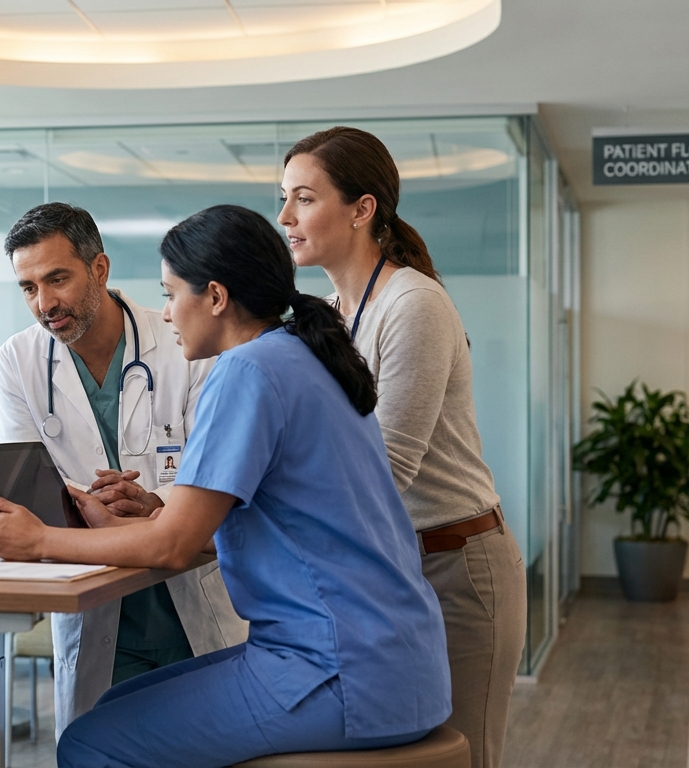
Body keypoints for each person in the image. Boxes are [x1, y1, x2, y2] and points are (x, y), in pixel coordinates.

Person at [0, 205, 451, 768]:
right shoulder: (303, 357)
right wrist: (137, 523)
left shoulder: (247, 372)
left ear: (214, 296)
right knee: (116, 702)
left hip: (335, 670)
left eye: (169, 293)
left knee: (87, 741)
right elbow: (222, 529)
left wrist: (40, 541)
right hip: (394, 662)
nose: (164, 313)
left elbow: (175, 545)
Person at [278, 126, 526, 768]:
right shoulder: (335, 309)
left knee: (465, 754)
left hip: (456, 566)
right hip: (390, 565)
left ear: (363, 209)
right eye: (285, 199)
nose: (285, 217)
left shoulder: (413, 304)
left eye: (303, 199)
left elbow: (387, 468)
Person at [0, 202, 246, 736]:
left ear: (99, 269)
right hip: (98, 609)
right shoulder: (18, 360)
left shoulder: (188, 343)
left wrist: (156, 502)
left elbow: (224, 480)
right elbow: (25, 487)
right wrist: (81, 504)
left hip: (193, 601)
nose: (44, 303)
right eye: (28, 287)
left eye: (57, 279)